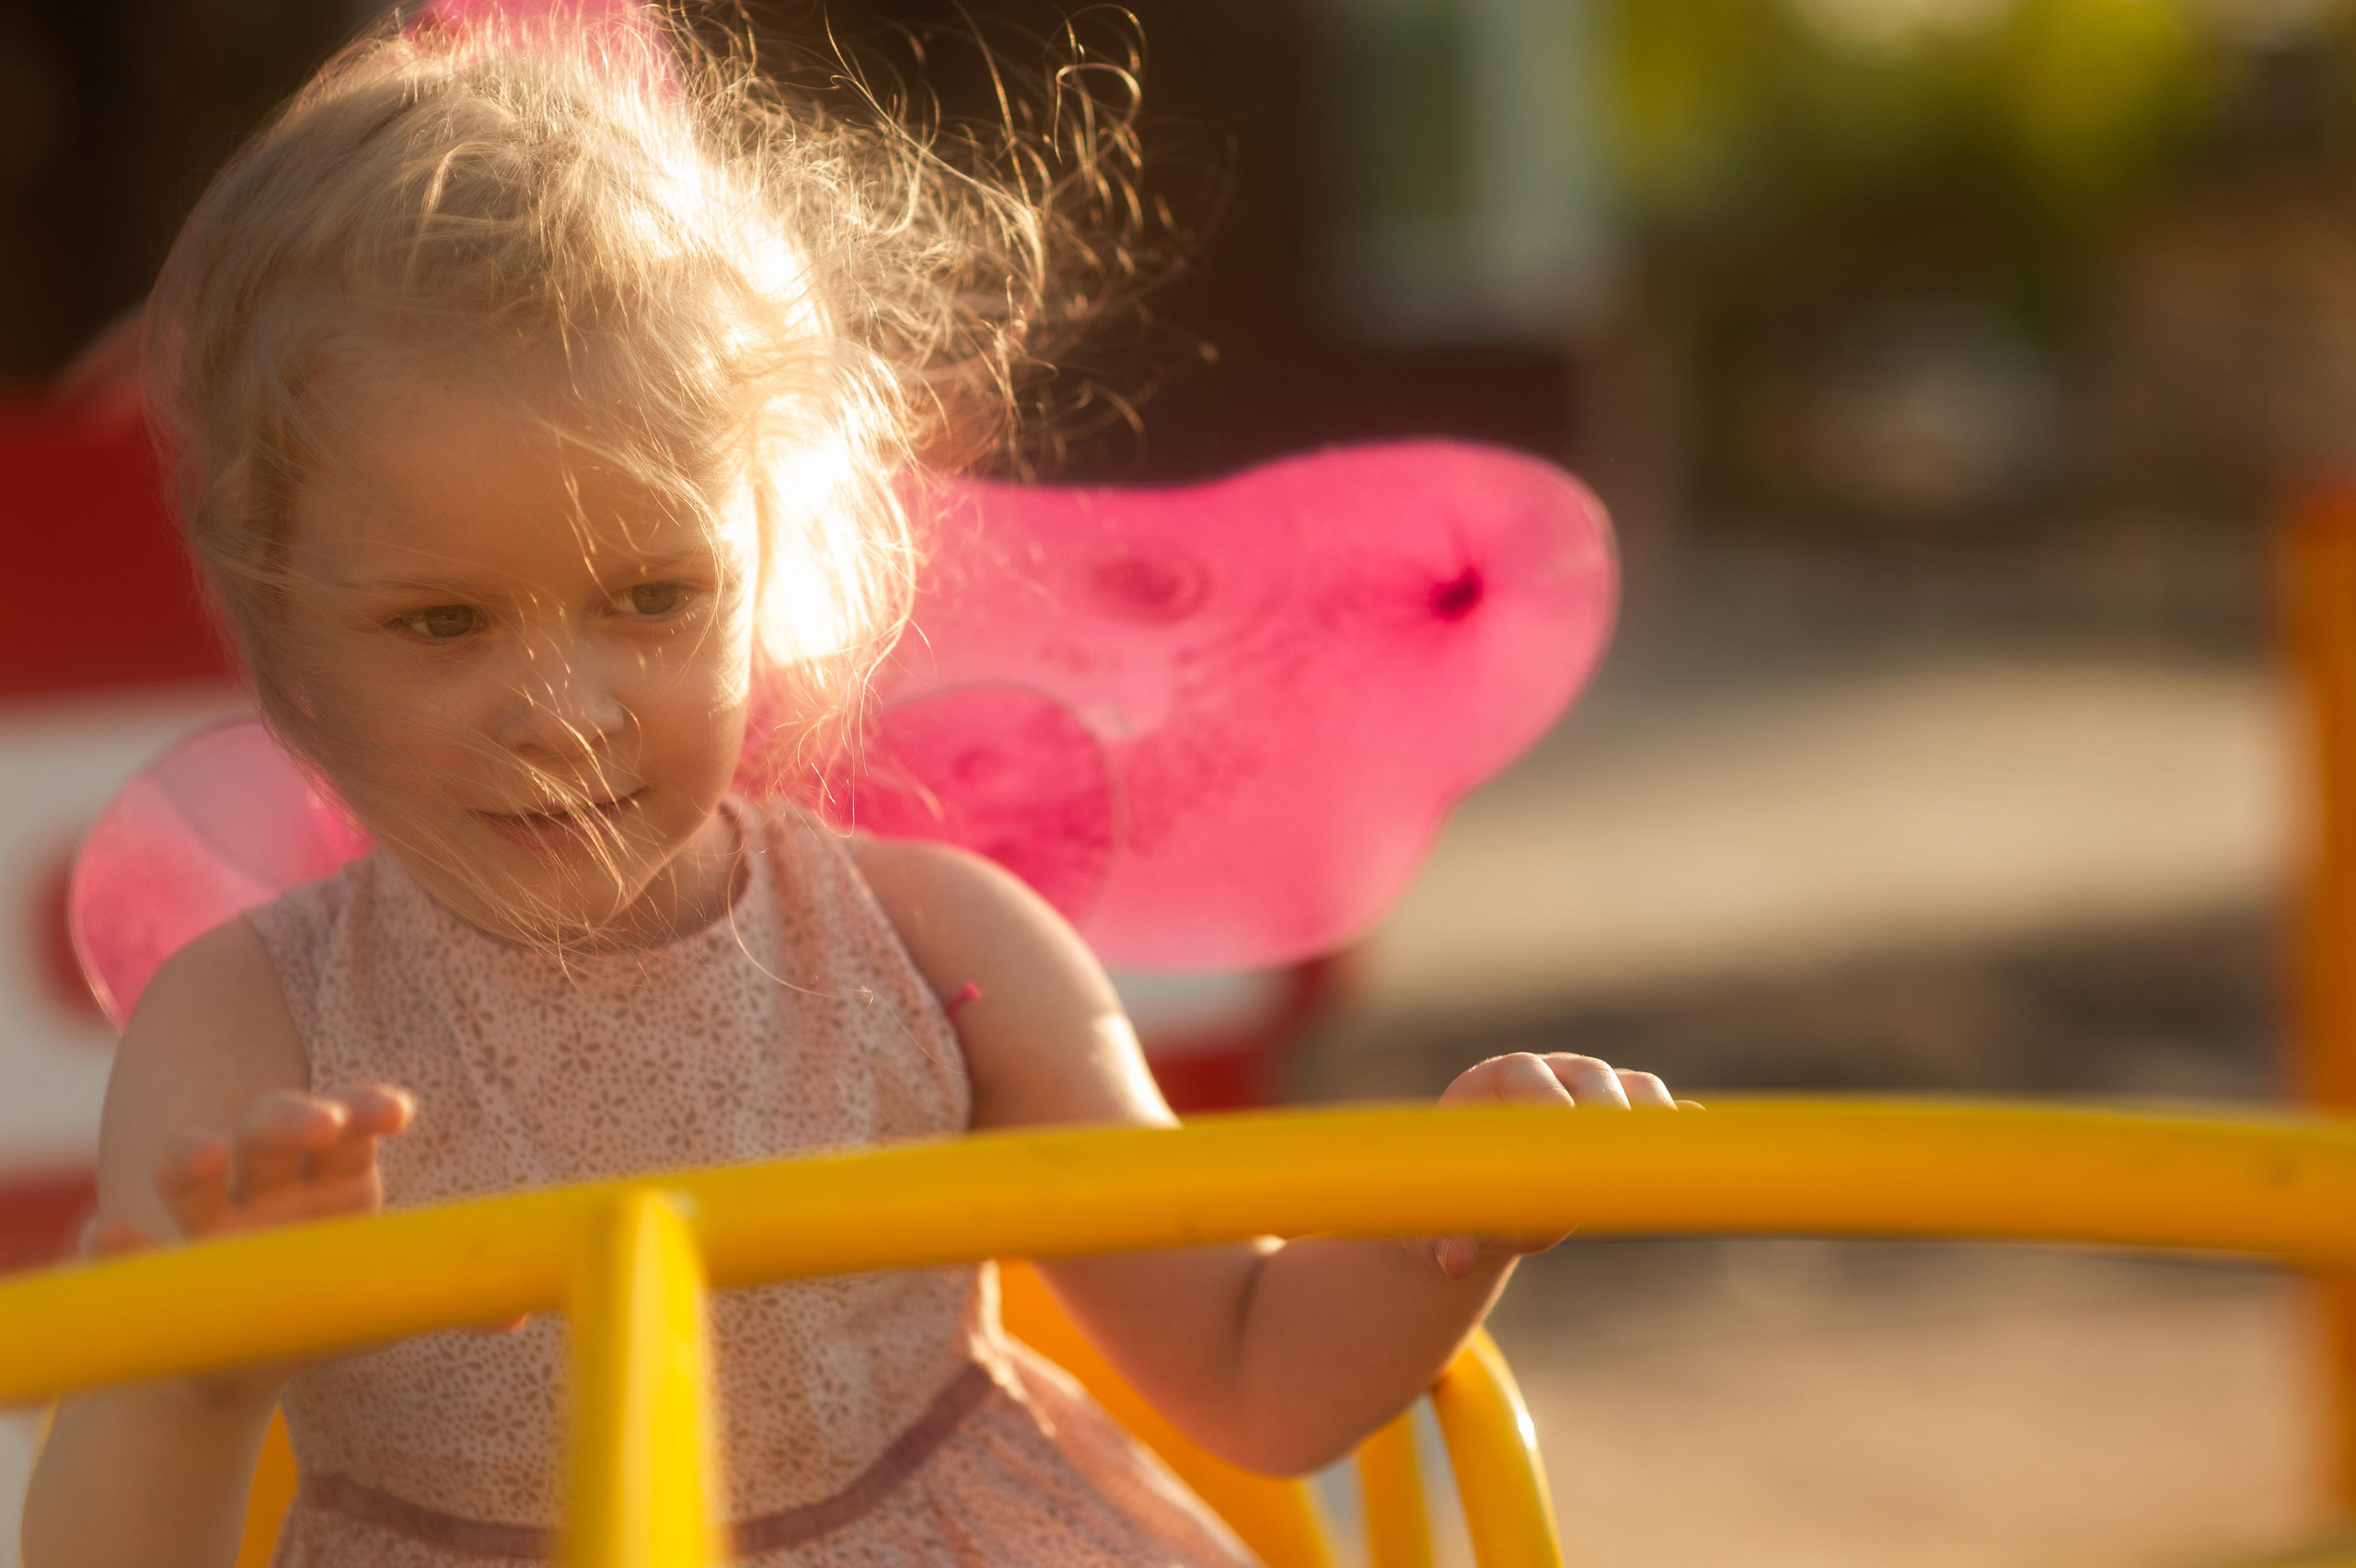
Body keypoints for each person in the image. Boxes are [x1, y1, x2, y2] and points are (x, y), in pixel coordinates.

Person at [21, 6, 1689, 1565]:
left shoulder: (940, 951)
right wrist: (198, 1368)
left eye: (653, 597)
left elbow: (1257, 1375)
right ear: (283, 632)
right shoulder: (256, 1035)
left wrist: (1453, 1222)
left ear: (778, 556)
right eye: (441, 620)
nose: (561, 710)